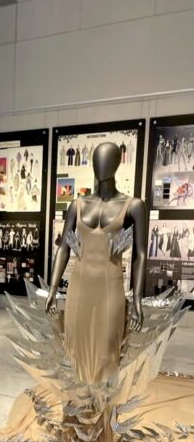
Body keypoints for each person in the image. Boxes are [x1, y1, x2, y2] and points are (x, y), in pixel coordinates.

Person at [46, 142, 146, 385]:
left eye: (107, 160)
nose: (101, 165)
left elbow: (140, 255)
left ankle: (102, 406)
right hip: (79, 288)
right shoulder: (77, 205)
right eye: (97, 160)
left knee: (108, 349)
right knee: (74, 346)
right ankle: (77, 402)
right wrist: (52, 289)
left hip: (110, 288)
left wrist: (137, 299)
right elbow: (64, 248)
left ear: (117, 163)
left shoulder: (134, 206)